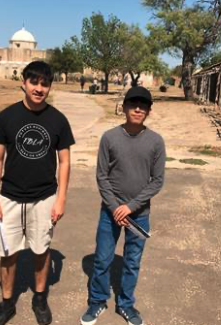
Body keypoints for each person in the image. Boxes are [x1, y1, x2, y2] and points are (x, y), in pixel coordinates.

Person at [0, 61, 75, 325]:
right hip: (9, 197)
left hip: (44, 198)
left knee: (40, 250)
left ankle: (39, 298)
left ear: (49, 86)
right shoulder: (7, 117)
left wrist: (61, 199)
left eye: (44, 83)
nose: (39, 88)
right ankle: (6, 303)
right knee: (7, 252)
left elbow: (65, 162)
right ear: (23, 83)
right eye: (34, 82)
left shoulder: (58, 120)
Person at [80, 87, 166, 325]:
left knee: (131, 261)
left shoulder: (155, 141)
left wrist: (130, 207)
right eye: (133, 104)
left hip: (139, 214)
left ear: (148, 110)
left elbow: (157, 180)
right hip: (110, 213)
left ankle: (126, 304)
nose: (138, 109)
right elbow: (102, 176)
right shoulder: (110, 137)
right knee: (103, 258)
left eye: (143, 105)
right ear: (124, 107)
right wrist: (115, 206)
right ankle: (97, 300)